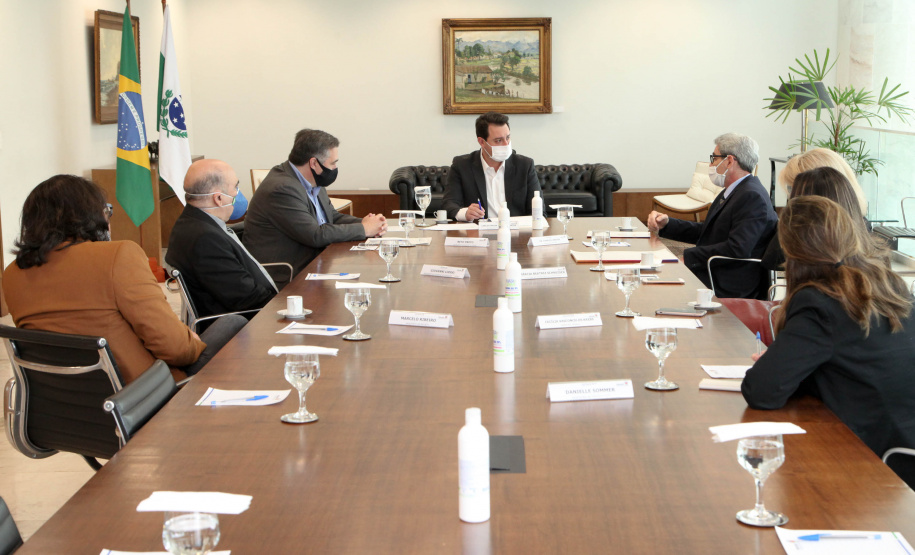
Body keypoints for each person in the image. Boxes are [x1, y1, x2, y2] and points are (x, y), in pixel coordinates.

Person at [3, 175, 247, 383]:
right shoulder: (117, 255)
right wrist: (189, 340)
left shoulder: (13, 273)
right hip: (140, 397)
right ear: (90, 217)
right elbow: (175, 349)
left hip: (63, 410)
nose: (108, 218)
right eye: (106, 211)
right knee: (233, 323)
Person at [742, 196, 915, 477]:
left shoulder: (820, 301)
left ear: (790, 251)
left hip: (875, 463)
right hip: (904, 446)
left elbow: (761, 391)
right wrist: (792, 363)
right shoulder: (891, 285)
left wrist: (783, 368)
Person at [244, 129, 387, 282]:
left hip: (314, 265)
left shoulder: (313, 181)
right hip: (287, 276)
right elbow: (315, 235)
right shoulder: (282, 188)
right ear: (314, 163)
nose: (334, 168)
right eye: (333, 163)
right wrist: (364, 229)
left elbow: (331, 217)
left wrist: (367, 224)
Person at [647, 133, 777, 299]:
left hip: (729, 282)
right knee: (652, 275)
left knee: (656, 284)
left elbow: (737, 248)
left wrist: (688, 257)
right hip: (717, 271)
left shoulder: (752, 196)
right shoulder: (736, 190)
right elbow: (710, 230)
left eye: (714, 158)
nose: (710, 164)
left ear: (729, 161)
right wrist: (668, 224)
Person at [166, 159, 277, 319]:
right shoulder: (205, 239)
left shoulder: (192, 221)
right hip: (246, 326)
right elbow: (248, 299)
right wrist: (286, 307)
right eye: (235, 187)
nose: (237, 193)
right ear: (218, 198)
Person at [761, 166, 873, 271]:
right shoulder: (869, 247)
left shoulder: (814, 257)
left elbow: (771, 261)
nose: (791, 199)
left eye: (793, 192)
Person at [442, 111, 541, 221]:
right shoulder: (462, 166)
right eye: (498, 140)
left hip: (515, 233)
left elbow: (539, 212)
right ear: (482, 142)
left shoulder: (524, 165)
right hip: (478, 233)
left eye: (507, 137)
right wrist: (465, 213)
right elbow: (448, 205)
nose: (506, 144)